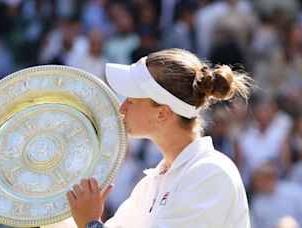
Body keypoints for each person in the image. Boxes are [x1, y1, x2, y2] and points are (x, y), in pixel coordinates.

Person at [66, 48, 252, 228]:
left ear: (162, 113)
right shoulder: (149, 185)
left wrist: (90, 223)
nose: (122, 109)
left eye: (131, 100)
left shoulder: (211, 173)